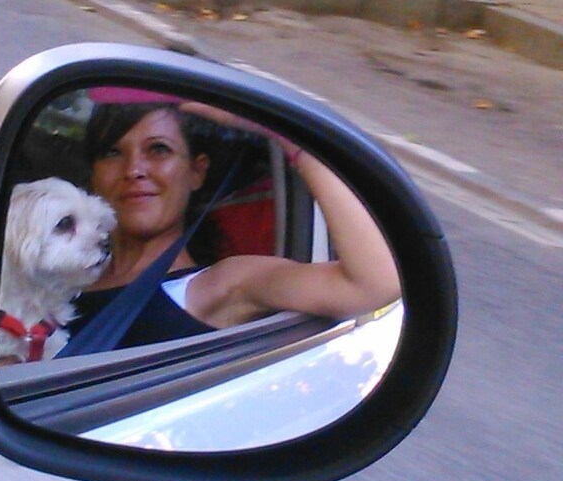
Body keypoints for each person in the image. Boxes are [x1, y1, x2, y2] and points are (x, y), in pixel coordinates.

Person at [65, 95, 401, 350]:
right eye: (112, 152)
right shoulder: (53, 270)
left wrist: (291, 140)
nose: (133, 169)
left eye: (158, 150)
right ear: (93, 174)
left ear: (196, 172)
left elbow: (375, 283)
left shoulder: (220, 285)